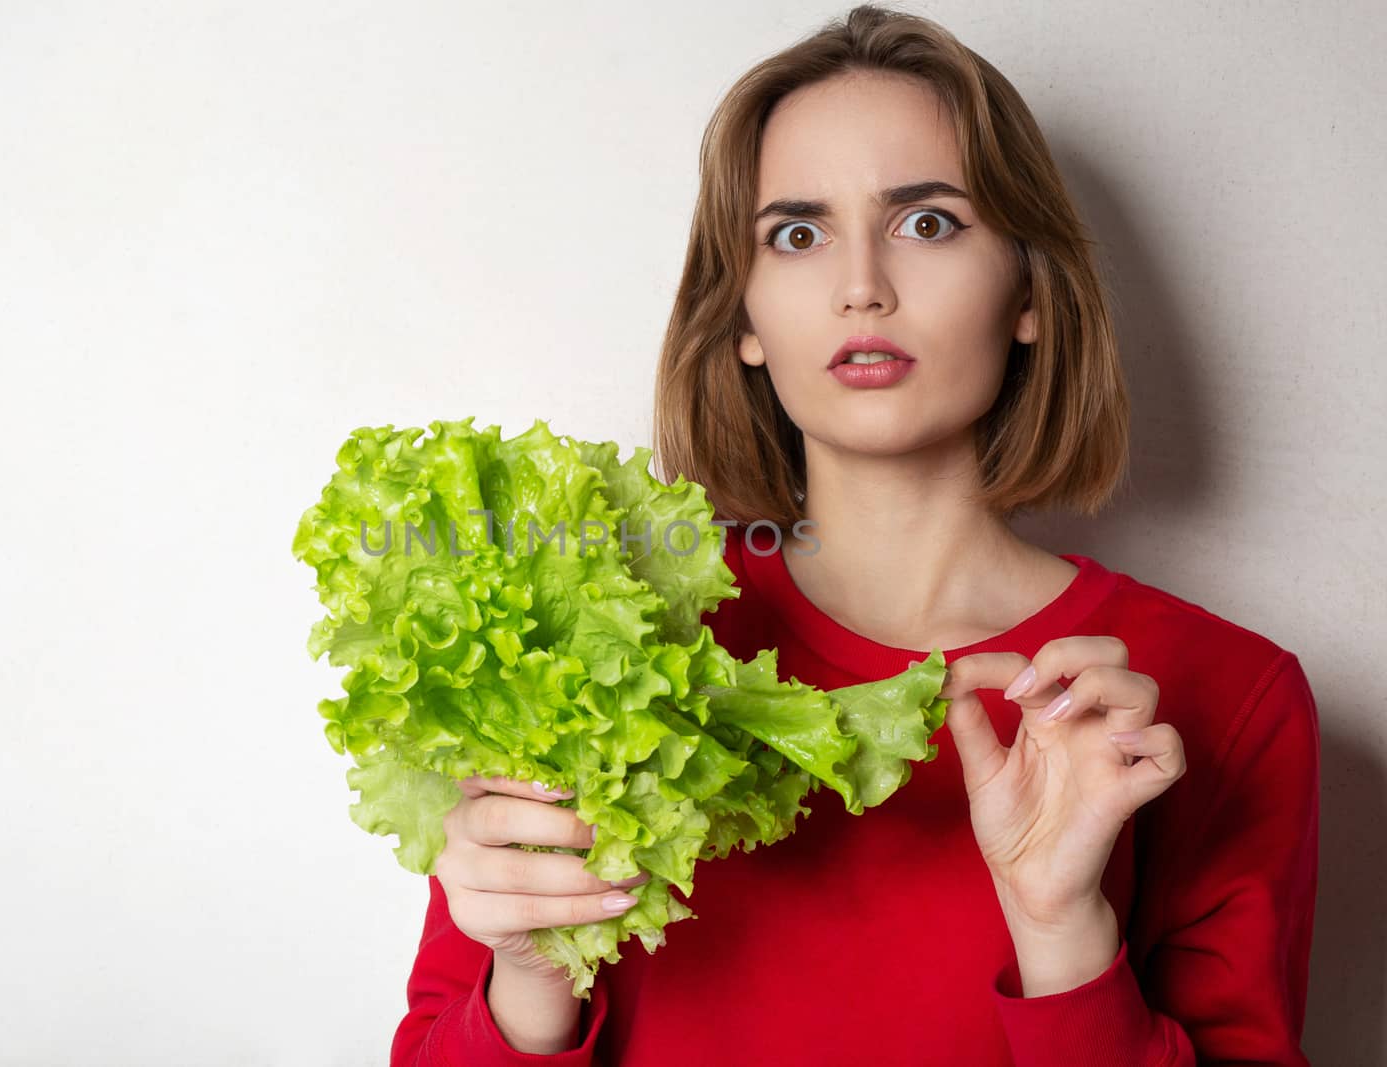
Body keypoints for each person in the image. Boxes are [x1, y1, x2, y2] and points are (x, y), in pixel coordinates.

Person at [388, 5, 1320, 1064]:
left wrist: (1064, 932)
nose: (861, 285)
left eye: (927, 223)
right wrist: (531, 970)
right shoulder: (594, 630)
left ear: (1026, 288)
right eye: (796, 233)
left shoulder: (1220, 696)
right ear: (740, 314)